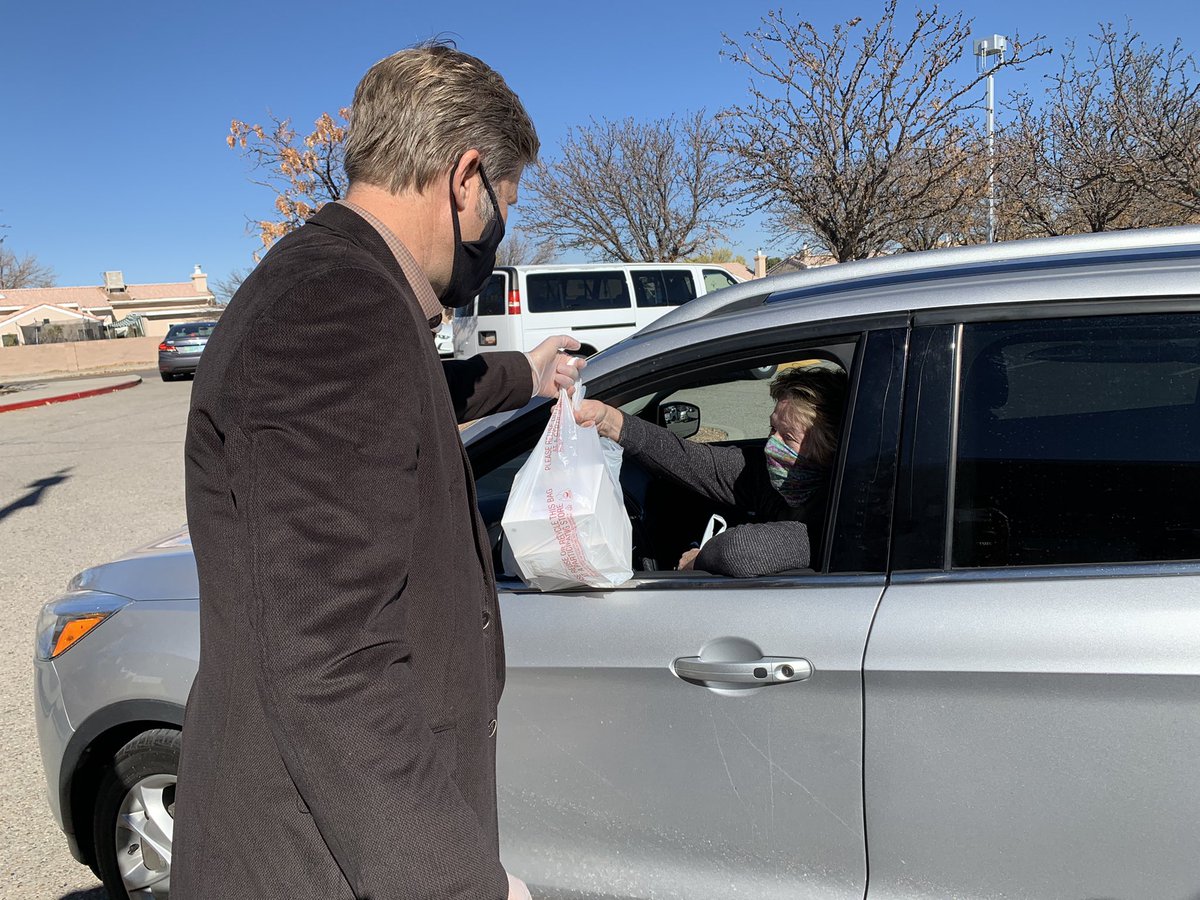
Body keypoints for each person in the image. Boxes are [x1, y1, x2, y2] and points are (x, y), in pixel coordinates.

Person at [173, 44, 581, 900]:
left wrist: (523, 373)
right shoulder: (334, 308)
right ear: (465, 177)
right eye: (503, 208)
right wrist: (458, 881)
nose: (497, 238)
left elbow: (401, 402)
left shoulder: (344, 291)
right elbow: (329, 658)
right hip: (317, 861)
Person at [575, 366, 846, 577]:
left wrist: (700, 559)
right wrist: (609, 421)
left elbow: (741, 551)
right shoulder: (770, 477)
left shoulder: (841, 507)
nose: (770, 446)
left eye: (788, 437)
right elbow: (693, 461)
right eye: (772, 429)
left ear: (829, 448)